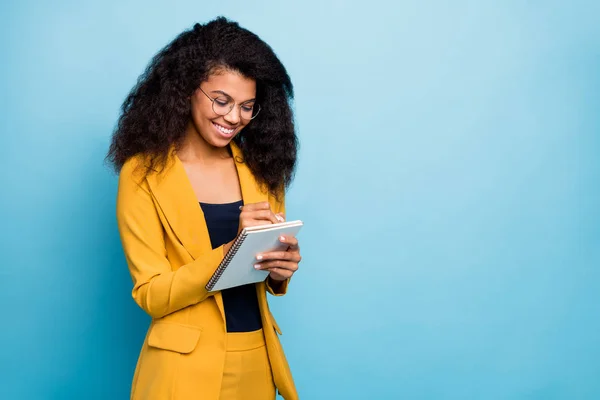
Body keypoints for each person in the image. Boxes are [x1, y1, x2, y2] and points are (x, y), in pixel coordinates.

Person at [106, 16, 301, 400]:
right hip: (182, 370)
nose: (233, 118)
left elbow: (262, 271)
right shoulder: (143, 174)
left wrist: (281, 269)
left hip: (256, 362)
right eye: (221, 100)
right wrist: (232, 250)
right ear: (185, 90)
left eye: (248, 106)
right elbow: (151, 294)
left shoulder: (263, 169)